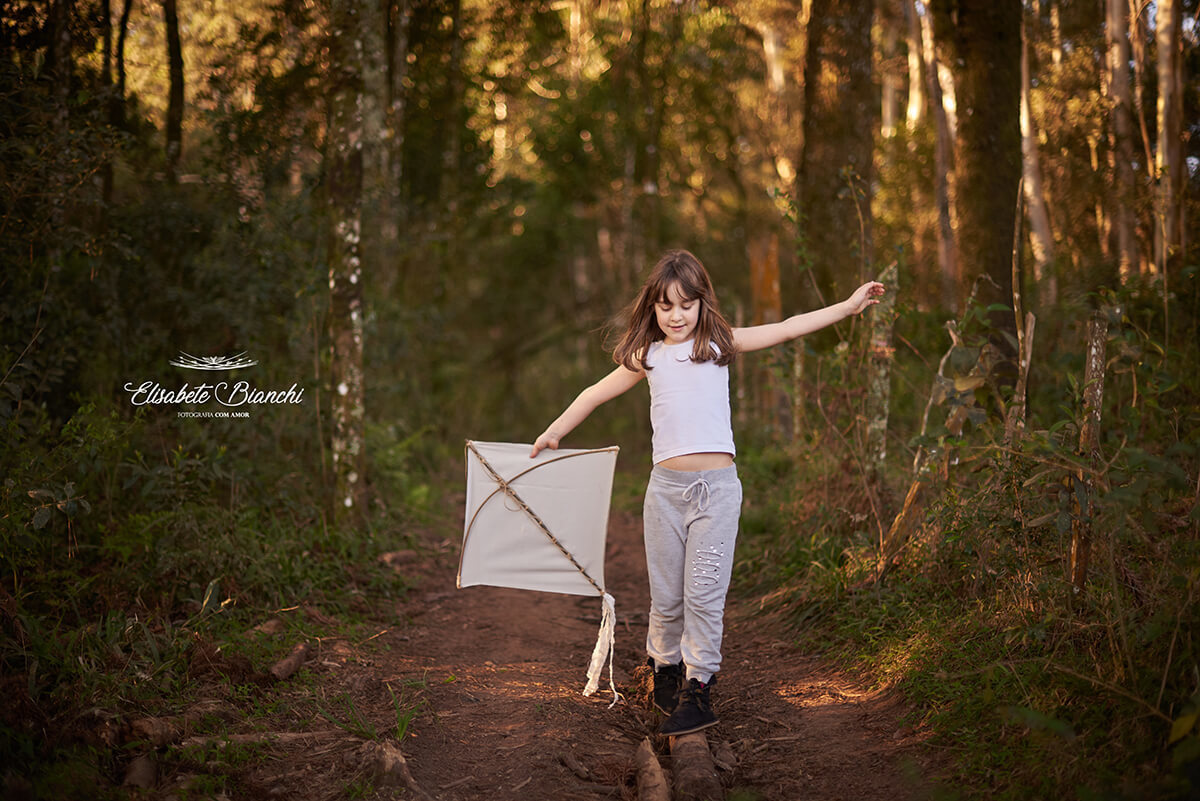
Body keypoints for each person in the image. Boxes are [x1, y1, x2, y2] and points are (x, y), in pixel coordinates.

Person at [530, 249, 885, 736]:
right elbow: (593, 392)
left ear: (702, 303)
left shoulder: (721, 344)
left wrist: (846, 307)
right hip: (665, 494)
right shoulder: (648, 356)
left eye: (686, 305)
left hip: (716, 493)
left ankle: (699, 687)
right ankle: (664, 667)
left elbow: (788, 327)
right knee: (667, 597)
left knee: (704, 595)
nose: (676, 316)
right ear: (652, 309)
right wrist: (554, 432)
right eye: (665, 306)